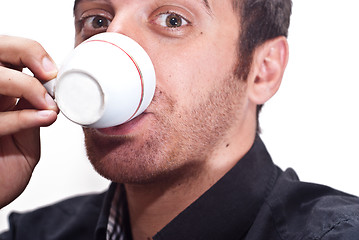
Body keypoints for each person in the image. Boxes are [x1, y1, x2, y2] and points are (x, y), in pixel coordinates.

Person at [1, 0, 359, 239]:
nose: (111, 46)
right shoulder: (31, 233)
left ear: (263, 71)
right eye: (97, 21)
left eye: (173, 20)